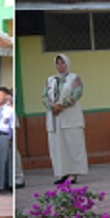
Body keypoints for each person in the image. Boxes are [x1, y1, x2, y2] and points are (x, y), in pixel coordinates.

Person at [43, 54, 88, 185]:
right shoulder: (50, 80)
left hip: (70, 116)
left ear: (67, 64)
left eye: (62, 63)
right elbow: (44, 96)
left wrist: (62, 105)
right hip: (54, 117)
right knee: (57, 147)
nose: (60, 66)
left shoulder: (74, 78)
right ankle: (61, 173)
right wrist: (51, 106)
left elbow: (77, 94)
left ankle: (73, 174)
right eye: (58, 63)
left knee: (73, 145)